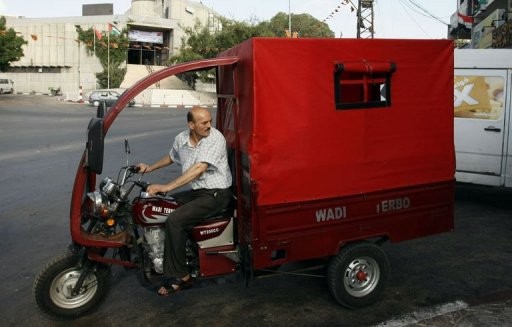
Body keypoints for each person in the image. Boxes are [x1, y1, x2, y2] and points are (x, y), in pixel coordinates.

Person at [136, 106, 232, 296]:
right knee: (162, 205)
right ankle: (179, 251)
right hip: (199, 192)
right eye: (204, 122)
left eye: (210, 121)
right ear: (191, 124)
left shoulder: (215, 138)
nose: (209, 125)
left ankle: (181, 276)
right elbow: (171, 157)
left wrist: (166, 186)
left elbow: (199, 169)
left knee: (176, 220)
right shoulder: (181, 139)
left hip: (217, 194)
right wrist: (149, 168)